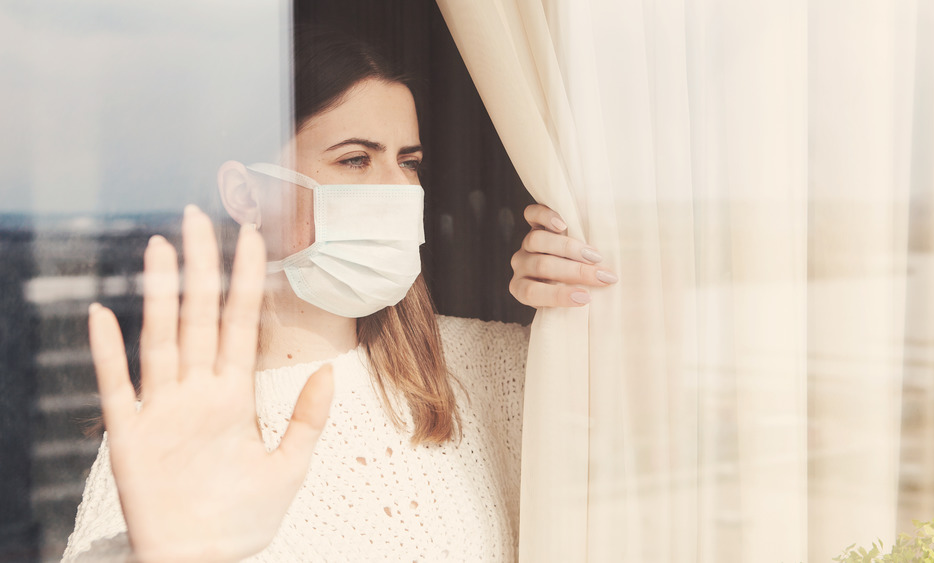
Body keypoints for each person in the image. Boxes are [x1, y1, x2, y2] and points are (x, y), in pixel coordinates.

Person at [62, 31, 617, 562]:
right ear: (244, 193)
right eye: (355, 160)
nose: (401, 190)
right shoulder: (176, 426)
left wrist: (594, 284)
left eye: (409, 162)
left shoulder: (490, 367)